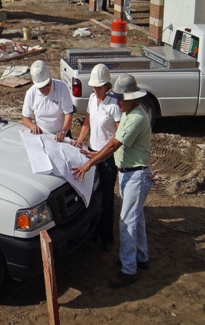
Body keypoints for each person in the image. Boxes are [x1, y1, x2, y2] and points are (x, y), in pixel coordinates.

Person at [72, 73, 152, 288]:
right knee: (138, 218)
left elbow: (114, 144)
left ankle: (128, 269)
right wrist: (94, 155)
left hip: (135, 174)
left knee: (127, 222)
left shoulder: (136, 117)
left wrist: (89, 163)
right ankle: (140, 258)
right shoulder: (130, 110)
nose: (117, 102)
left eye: (121, 98)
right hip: (131, 172)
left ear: (132, 98)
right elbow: (111, 146)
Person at [72, 64, 121, 252]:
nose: (95, 90)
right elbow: (87, 121)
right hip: (92, 151)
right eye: (93, 87)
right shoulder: (93, 99)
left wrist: (106, 152)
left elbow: (118, 135)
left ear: (106, 85)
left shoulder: (114, 105)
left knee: (107, 197)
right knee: (92, 194)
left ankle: (107, 236)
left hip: (107, 157)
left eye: (98, 87)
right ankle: (94, 230)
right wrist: (80, 139)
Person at [22, 60, 74, 142]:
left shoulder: (62, 88)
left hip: (61, 135)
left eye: (47, 85)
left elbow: (68, 113)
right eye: (41, 88)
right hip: (42, 136)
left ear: (50, 79)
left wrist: (63, 131)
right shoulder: (31, 93)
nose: (44, 89)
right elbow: (25, 118)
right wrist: (32, 126)